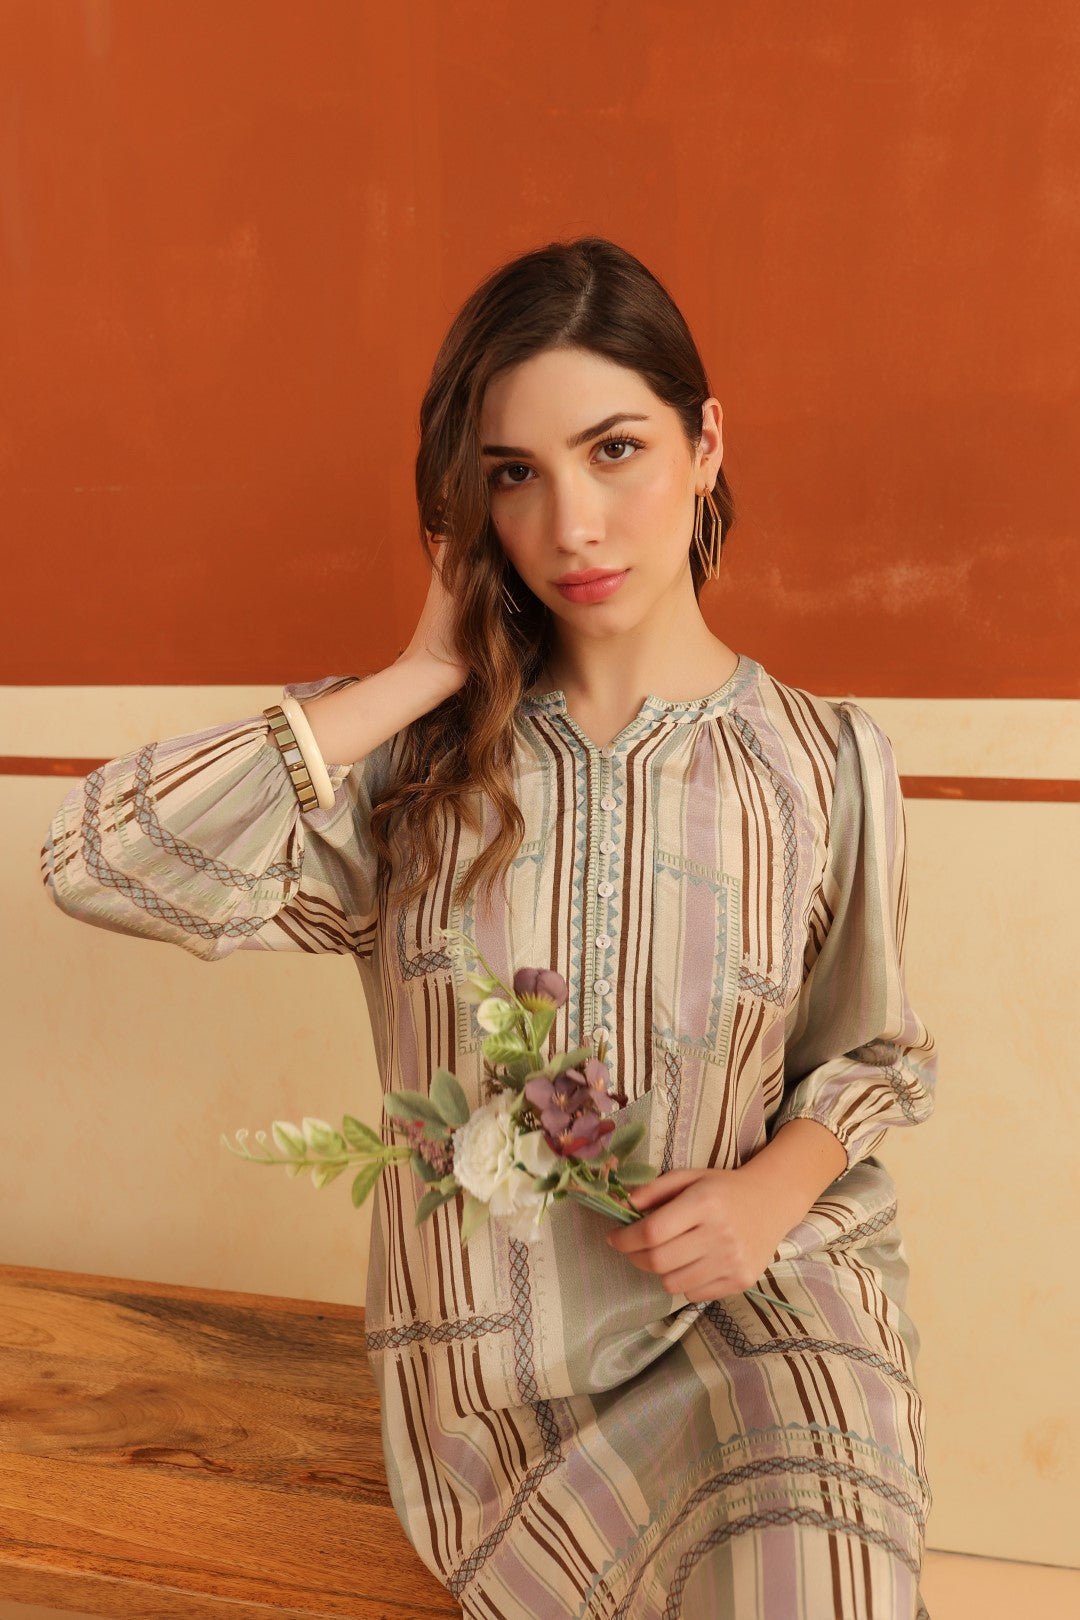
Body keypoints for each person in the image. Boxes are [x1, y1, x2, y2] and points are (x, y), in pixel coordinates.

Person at [41, 236, 937, 1619]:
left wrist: (769, 1196)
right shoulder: (410, 767)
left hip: (766, 1312)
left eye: (616, 451)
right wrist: (417, 673)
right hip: (497, 1371)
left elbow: (871, 1053)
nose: (573, 524)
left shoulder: (827, 763)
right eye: (514, 474)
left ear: (706, 445)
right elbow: (94, 860)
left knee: (816, 1577)